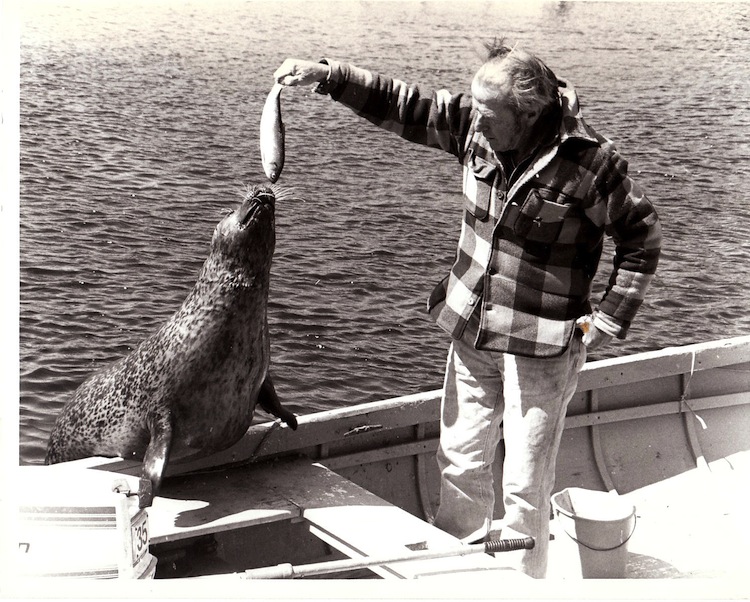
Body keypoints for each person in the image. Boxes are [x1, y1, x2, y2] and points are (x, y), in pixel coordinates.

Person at [273, 40, 661, 578]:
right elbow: (404, 104)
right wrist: (328, 74)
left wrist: (608, 318)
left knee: (525, 483)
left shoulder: (589, 163)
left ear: (527, 114)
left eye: (486, 110)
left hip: (543, 347)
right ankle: (461, 576)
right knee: (458, 462)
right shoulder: (476, 127)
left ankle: (525, 582)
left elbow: (641, 238)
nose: (473, 117)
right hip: (472, 329)